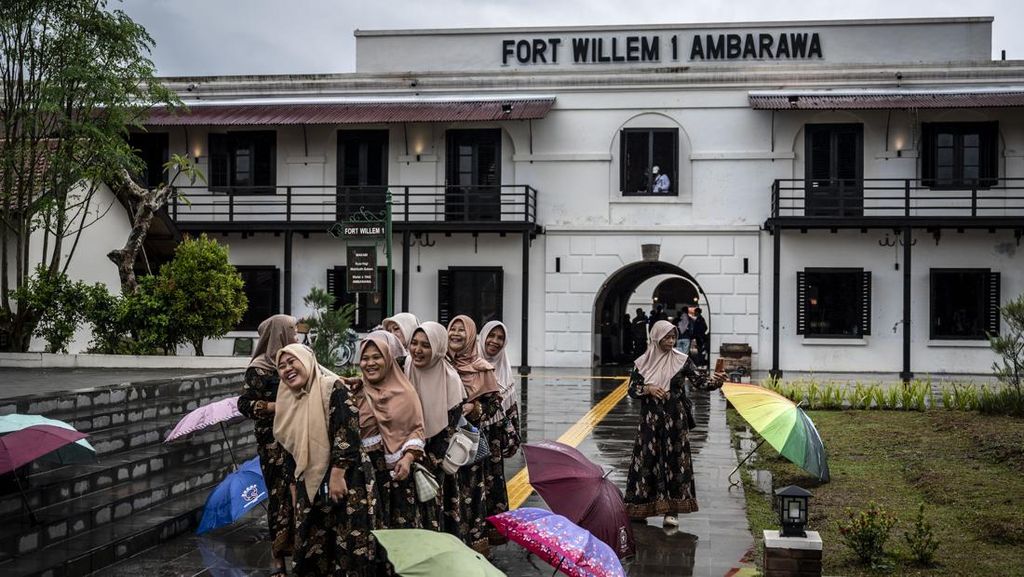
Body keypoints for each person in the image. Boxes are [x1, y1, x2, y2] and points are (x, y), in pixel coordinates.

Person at [273, 343, 377, 577]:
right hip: (309, 480)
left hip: (346, 477)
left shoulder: (332, 387)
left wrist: (338, 473)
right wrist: (293, 486)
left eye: (292, 361)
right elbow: (288, 447)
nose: (287, 369)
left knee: (348, 544)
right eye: (281, 366)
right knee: (312, 547)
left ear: (307, 361)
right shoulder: (287, 400)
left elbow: (347, 430)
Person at [624, 320, 725, 527]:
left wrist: (717, 381)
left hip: (675, 420)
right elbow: (632, 389)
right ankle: (641, 508)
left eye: (673, 337)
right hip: (650, 421)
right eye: (667, 338)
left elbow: (700, 382)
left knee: (674, 461)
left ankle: (672, 512)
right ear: (656, 338)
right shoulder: (642, 363)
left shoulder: (682, 360)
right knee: (647, 460)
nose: (671, 341)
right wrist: (648, 389)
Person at [237, 315, 297, 577]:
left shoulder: (297, 360)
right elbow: (243, 404)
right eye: (292, 331)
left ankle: (301, 554)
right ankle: (278, 559)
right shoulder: (259, 369)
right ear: (279, 334)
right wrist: (273, 407)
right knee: (280, 498)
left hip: (298, 438)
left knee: (299, 496)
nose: (296, 336)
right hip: (273, 444)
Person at [350, 335, 427, 531]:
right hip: (364, 477)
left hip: (397, 476)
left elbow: (417, 429)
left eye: (377, 357)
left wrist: (408, 458)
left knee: (399, 532)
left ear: (388, 360)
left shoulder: (405, 393)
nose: (370, 363)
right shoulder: (355, 392)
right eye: (365, 358)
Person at [405, 322, 467, 536]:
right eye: (414, 343)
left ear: (439, 348)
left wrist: (425, 460)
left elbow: (449, 429)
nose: (417, 350)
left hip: (433, 460)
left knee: (431, 509)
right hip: (403, 453)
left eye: (425, 345)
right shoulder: (404, 367)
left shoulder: (451, 380)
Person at [446, 314, 501, 554]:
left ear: (470, 336)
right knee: (447, 495)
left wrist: (475, 408)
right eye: (453, 328)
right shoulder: (441, 363)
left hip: (468, 444)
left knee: (469, 494)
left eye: (462, 330)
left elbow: (494, 404)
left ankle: (472, 547)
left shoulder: (482, 368)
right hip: (443, 443)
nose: (456, 334)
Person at [477, 321, 520, 545]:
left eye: (500, 337)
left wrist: (512, 438)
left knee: (492, 483)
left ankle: (493, 532)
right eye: (491, 335)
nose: (494, 341)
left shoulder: (504, 367)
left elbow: (512, 410)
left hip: (493, 439)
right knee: (473, 486)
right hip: (472, 436)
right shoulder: (470, 365)